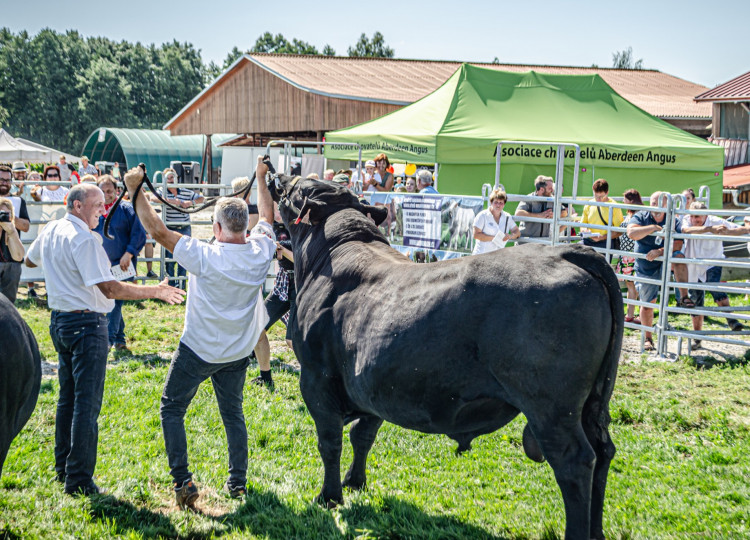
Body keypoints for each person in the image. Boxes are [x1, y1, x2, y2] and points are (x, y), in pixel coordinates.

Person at [123, 156, 276, 508]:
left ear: (218, 228)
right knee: (233, 414)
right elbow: (267, 217)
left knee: (171, 408)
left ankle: (182, 481)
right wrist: (261, 178)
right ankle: (237, 483)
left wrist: (135, 190)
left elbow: (158, 231)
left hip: (198, 349)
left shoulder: (205, 255)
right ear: (242, 227)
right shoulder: (260, 251)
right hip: (238, 350)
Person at [25, 183, 184, 496]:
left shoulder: (53, 229)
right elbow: (110, 289)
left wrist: (62, 271)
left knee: (67, 399)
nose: (102, 210)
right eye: (97, 205)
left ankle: (64, 469)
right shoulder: (83, 238)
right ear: (78, 205)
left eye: (103, 205)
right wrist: (156, 290)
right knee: (86, 405)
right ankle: (79, 480)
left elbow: (30, 261)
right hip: (85, 324)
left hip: (61, 320)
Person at [626, 191, 692, 351]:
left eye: (660, 203)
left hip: (665, 259)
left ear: (667, 204)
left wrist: (660, 252)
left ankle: (684, 296)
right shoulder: (642, 216)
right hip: (646, 264)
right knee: (648, 304)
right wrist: (655, 228)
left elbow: (677, 244)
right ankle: (648, 338)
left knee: (679, 256)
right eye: (654, 202)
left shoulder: (673, 219)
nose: (656, 206)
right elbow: (632, 233)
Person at [682, 201, 750, 349]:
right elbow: (685, 230)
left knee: (714, 287)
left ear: (706, 215)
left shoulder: (716, 221)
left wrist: (744, 230)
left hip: (713, 261)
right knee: (696, 299)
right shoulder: (687, 220)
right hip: (693, 264)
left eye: (698, 217)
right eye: (693, 216)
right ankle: (697, 337)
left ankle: (731, 319)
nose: (695, 220)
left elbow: (734, 229)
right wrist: (709, 229)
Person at [93, 175, 147, 351]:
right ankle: (120, 339)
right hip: (101, 263)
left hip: (122, 263)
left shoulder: (126, 209)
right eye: (102, 191)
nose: (106, 194)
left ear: (117, 190)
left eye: (109, 190)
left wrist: (129, 253)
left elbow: (138, 233)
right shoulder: (94, 210)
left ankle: (107, 340)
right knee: (113, 299)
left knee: (115, 299)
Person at [253, 206, 296, 389]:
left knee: (293, 341)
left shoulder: (301, 228)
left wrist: (281, 249)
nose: (277, 212)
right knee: (256, 329)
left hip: (301, 287)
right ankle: (265, 377)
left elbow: (304, 260)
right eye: (275, 208)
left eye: (280, 209)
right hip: (281, 286)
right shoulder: (272, 228)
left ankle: (319, 377)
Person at [155, 167, 204, 288]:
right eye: (169, 178)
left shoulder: (185, 191)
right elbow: (153, 198)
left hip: (184, 227)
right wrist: (173, 201)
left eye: (173, 177)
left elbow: (201, 198)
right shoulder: (163, 191)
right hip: (170, 228)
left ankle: (182, 286)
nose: (171, 180)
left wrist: (191, 203)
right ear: (165, 180)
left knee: (185, 257)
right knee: (170, 258)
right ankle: (171, 286)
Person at [0, 166, 30, 303]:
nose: (4, 183)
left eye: (7, 180)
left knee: (8, 304)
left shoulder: (18, 201)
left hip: (12, 259)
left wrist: (10, 218)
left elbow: (26, 227)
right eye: (1, 179)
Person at [615, 189, 643, 324]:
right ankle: (632, 313)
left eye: (625, 199)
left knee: (632, 285)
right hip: (626, 253)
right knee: (630, 284)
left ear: (631, 200)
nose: (623, 202)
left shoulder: (639, 214)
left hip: (633, 254)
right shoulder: (631, 214)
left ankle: (631, 315)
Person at [579, 179, 623, 260]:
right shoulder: (589, 204)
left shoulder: (614, 206)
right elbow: (582, 224)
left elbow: (619, 231)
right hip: (588, 241)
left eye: (601, 196)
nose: (598, 199)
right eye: (596, 196)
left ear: (607, 193)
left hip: (605, 242)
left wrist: (602, 237)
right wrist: (585, 230)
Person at [515, 175, 567, 241]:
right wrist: (539, 216)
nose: (552, 190)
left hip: (543, 243)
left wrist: (554, 215)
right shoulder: (529, 198)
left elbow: (564, 212)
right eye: (550, 188)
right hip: (526, 242)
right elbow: (518, 213)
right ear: (542, 189)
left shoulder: (551, 199)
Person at [472, 188, 520, 255]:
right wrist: (495, 238)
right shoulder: (482, 215)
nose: (498, 205)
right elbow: (476, 235)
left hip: (498, 257)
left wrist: (510, 236)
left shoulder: (507, 217)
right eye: (496, 202)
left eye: (501, 203)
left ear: (504, 204)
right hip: (481, 255)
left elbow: (517, 232)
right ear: (491, 202)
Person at [0, 197, 25, 303]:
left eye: (7, 214)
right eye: (1, 213)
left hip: (11, 266)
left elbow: (18, 256)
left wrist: (12, 232)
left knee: (8, 303)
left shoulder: (11, 229)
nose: (3, 216)